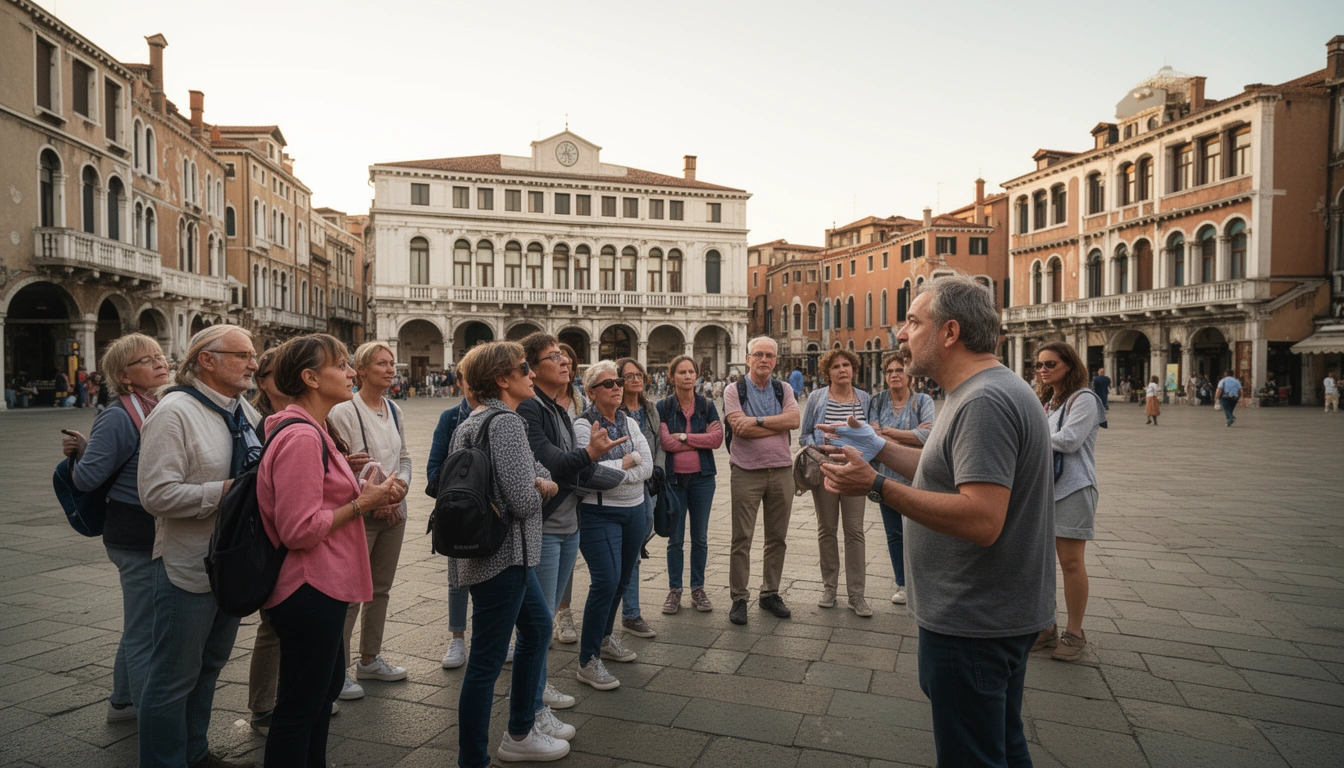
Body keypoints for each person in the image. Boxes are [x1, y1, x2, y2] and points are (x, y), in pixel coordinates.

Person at [818, 275, 1054, 767]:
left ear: (950, 332)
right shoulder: (977, 390)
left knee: (974, 756)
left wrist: (877, 485)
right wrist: (878, 448)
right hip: (988, 613)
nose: (901, 334)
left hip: (973, 620)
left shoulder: (983, 401)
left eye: (912, 321)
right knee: (1003, 747)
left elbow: (982, 518)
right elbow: (940, 473)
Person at [258, 334, 404, 767]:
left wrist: (364, 490)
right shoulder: (302, 436)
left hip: (323, 583)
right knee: (302, 706)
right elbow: (299, 528)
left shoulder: (316, 429)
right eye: (340, 365)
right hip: (308, 587)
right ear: (309, 378)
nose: (351, 372)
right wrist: (363, 503)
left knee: (319, 700)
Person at [137, 325, 263, 768]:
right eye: (243, 354)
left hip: (230, 564)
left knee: (209, 666)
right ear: (206, 360)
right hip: (186, 565)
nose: (254, 363)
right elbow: (155, 495)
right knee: (172, 678)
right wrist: (229, 491)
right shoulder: (174, 413)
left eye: (254, 354)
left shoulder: (242, 412)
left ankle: (195, 751)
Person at [441, 341, 571, 765]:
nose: (531, 374)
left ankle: (521, 729)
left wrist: (538, 477)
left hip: (489, 553)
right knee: (486, 662)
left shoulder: (472, 420)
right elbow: (522, 498)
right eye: (523, 368)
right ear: (502, 379)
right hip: (506, 555)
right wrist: (544, 488)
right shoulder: (508, 423)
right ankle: (474, 758)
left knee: (535, 630)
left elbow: (530, 471)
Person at [60, 334, 170, 724]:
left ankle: (122, 702)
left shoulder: (153, 404)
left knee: (142, 624)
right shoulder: (120, 414)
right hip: (134, 535)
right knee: (146, 630)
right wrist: (86, 453)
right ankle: (145, 711)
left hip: (149, 534)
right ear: (124, 376)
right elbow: (86, 480)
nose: (160, 362)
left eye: (160, 355)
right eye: (147, 359)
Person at [517, 333, 621, 718]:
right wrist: (591, 456)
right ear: (532, 368)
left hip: (567, 522)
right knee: (541, 620)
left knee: (543, 616)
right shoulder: (530, 409)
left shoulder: (560, 409)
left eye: (563, 355)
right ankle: (532, 701)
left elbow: (572, 464)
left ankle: (537, 689)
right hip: (544, 524)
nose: (564, 361)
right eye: (552, 356)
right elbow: (551, 462)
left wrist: (592, 462)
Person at [329, 341, 413, 700]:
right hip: (360, 511)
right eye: (381, 363)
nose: (390, 369)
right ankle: (340, 671)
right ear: (360, 370)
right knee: (349, 594)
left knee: (380, 588)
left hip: (395, 509)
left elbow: (405, 458)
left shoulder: (394, 409)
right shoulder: (344, 411)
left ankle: (370, 658)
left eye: (392, 363)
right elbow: (339, 466)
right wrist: (376, 496)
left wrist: (400, 490)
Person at [572, 361, 653, 690]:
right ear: (591, 391)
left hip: (634, 510)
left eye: (619, 381)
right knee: (605, 582)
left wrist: (622, 469)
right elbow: (591, 474)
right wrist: (627, 463)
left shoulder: (630, 421)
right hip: (598, 513)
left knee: (621, 580)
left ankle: (605, 639)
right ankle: (587, 660)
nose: (617, 387)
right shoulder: (583, 425)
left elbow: (646, 464)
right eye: (608, 384)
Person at [1031, 342, 1105, 663]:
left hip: (1074, 488)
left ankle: (1075, 633)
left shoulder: (1085, 399)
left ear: (1069, 366)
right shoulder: (1046, 401)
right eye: (1039, 365)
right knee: (1042, 562)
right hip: (1045, 489)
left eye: (1050, 364)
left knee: (1071, 562)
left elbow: (1071, 440)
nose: (1044, 370)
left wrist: (1027, 437)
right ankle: (1046, 626)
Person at [724, 336, 801, 626]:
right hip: (746, 470)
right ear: (748, 358)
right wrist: (775, 423)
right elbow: (738, 428)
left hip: (782, 470)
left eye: (769, 355)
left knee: (777, 538)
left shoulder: (785, 389)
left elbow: (794, 421)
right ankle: (739, 598)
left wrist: (756, 421)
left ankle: (770, 592)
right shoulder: (734, 389)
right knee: (741, 537)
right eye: (758, 354)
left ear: (776, 361)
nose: (764, 360)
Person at [799, 348, 873, 617]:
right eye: (836, 366)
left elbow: (873, 435)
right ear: (827, 372)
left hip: (856, 471)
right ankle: (829, 587)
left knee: (854, 531)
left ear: (854, 368)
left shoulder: (865, 399)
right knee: (826, 528)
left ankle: (857, 595)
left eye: (846, 365)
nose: (842, 370)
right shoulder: (818, 398)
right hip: (826, 469)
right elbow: (804, 435)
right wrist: (820, 448)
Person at [865, 348, 934, 605]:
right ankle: (903, 584)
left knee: (921, 532)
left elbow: (927, 436)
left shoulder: (923, 401)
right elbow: (873, 438)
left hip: (918, 477)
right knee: (894, 534)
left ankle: (924, 584)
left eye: (899, 370)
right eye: (889, 371)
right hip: (887, 476)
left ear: (909, 376)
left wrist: (889, 433)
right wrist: (907, 434)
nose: (894, 375)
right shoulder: (877, 401)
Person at [657, 355, 723, 614]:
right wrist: (699, 438)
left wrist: (684, 436)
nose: (687, 376)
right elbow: (665, 443)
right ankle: (675, 589)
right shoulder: (662, 407)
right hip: (673, 481)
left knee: (701, 537)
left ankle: (698, 587)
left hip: (703, 479)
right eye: (681, 372)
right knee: (675, 538)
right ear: (671, 376)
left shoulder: (707, 405)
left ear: (697, 376)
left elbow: (716, 439)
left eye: (691, 372)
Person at [427, 374, 476, 671]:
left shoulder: (508, 415)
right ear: (460, 381)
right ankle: (457, 636)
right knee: (458, 577)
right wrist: (455, 494)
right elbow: (433, 467)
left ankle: (494, 634)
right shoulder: (450, 418)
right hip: (459, 509)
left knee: (497, 579)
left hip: (494, 511)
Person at [616, 357, 665, 639]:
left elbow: (658, 442)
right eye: (629, 375)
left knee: (639, 539)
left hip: (650, 484)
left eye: (639, 375)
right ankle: (631, 613)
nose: (635, 380)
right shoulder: (614, 408)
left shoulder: (650, 408)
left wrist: (656, 469)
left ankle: (629, 611)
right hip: (625, 484)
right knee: (631, 552)